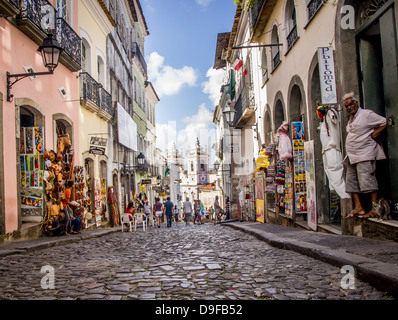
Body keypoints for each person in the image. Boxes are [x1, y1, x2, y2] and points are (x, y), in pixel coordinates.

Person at [343, 92, 387, 219]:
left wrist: (374, 134)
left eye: (351, 104)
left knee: (368, 182)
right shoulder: (351, 119)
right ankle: (359, 207)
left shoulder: (366, 114)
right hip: (352, 156)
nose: (349, 107)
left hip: (365, 154)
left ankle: (375, 209)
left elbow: (383, 122)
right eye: (346, 106)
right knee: (351, 183)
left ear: (357, 103)